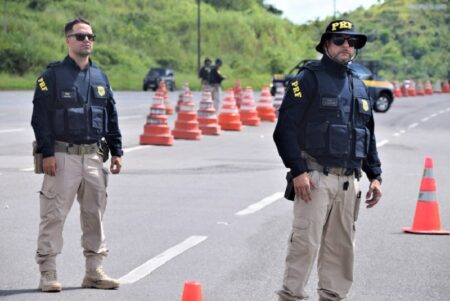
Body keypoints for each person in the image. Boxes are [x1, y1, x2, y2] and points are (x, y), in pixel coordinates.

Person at [273, 19, 382, 301]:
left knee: (341, 248)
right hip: (315, 179)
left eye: (352, 41)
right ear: (325, 44)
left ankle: (332, 297)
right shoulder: (305, 80)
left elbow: (366, 133)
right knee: (304, 244)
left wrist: (376, 175)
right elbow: (284, 129)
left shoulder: (359, 85)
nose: (346, 45)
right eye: (339, 40)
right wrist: (298, 171)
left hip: (350, 182)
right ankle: (291, 296)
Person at [31, 17, 123, 292]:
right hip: (61, 156)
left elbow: (110, 114)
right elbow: (40, 118)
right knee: (54, 216)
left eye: (91, 37)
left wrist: (117, 150)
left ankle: (94, 271)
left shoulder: (100, 76)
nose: (87, 41)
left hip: (94, 157)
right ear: (68, 40)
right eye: (81, 36)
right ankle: (48, 272)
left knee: (94, 215)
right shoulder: (51, 76)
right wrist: (47, 152)